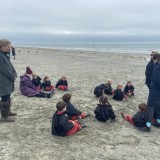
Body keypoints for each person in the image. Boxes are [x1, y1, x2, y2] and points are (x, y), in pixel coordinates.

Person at [140, 54, 160, 132]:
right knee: (159, 107)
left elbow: (155, 80)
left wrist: (151, 85)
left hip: (155, 91)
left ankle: (148, 126)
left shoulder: (157, 68)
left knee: (150, 107)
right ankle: (158, 122)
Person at [0, 39, 17, 122]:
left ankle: (8, 111)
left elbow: (9, 64)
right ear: (2, 46)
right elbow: (4, 69)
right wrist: (12, 76)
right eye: (8, 46)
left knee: (8, 95)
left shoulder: (4, 54)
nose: (9, 47)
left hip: (7, 80)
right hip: (3, 80)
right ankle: (4, 115)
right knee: (5, 97)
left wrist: (14, 73)